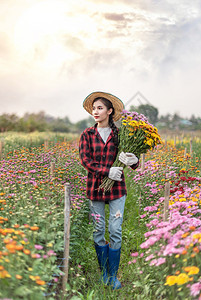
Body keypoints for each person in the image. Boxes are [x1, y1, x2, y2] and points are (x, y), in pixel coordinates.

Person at [79, 91, 139, 290]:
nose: (95, 112)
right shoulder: (87, 135)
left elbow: (132, 162)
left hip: (117, 190)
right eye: (94, 108)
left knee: (115, 230)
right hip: (95, 188)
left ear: (110, 111)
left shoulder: (120, 135)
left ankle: (113, 275)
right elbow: (86, 161)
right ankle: (104, 272)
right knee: (98, 230)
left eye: (100, 108)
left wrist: (134, 161)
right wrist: (106, 171)